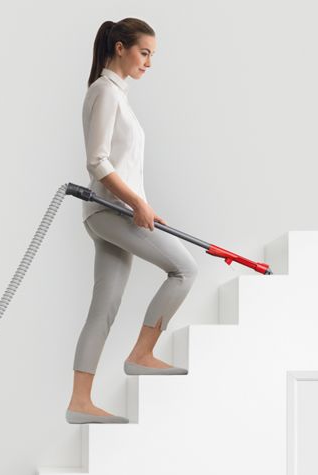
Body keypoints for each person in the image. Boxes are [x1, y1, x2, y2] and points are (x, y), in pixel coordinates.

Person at [67, 18, 200, 425]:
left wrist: (143, 203)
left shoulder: (116, 94)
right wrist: (135, 203)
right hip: (110, 210)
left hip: (112, 210)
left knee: (103, 309)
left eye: (152, 56)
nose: (149, 62)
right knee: (184, 269)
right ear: (120, 47)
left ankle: (80, 403)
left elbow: (120, 163)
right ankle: (142, 354)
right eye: (144, 53)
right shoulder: (106, 92)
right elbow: (97, 161)